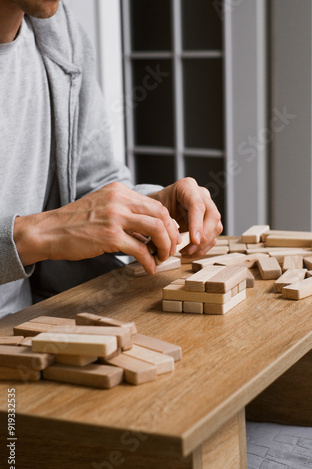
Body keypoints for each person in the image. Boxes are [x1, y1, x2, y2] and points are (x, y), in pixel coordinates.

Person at [0, 0, 222, 319]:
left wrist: (152, 206)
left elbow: (91, 184)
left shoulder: (61, 34)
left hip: (24, 327)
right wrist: (30, 236)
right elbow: (61, 225)